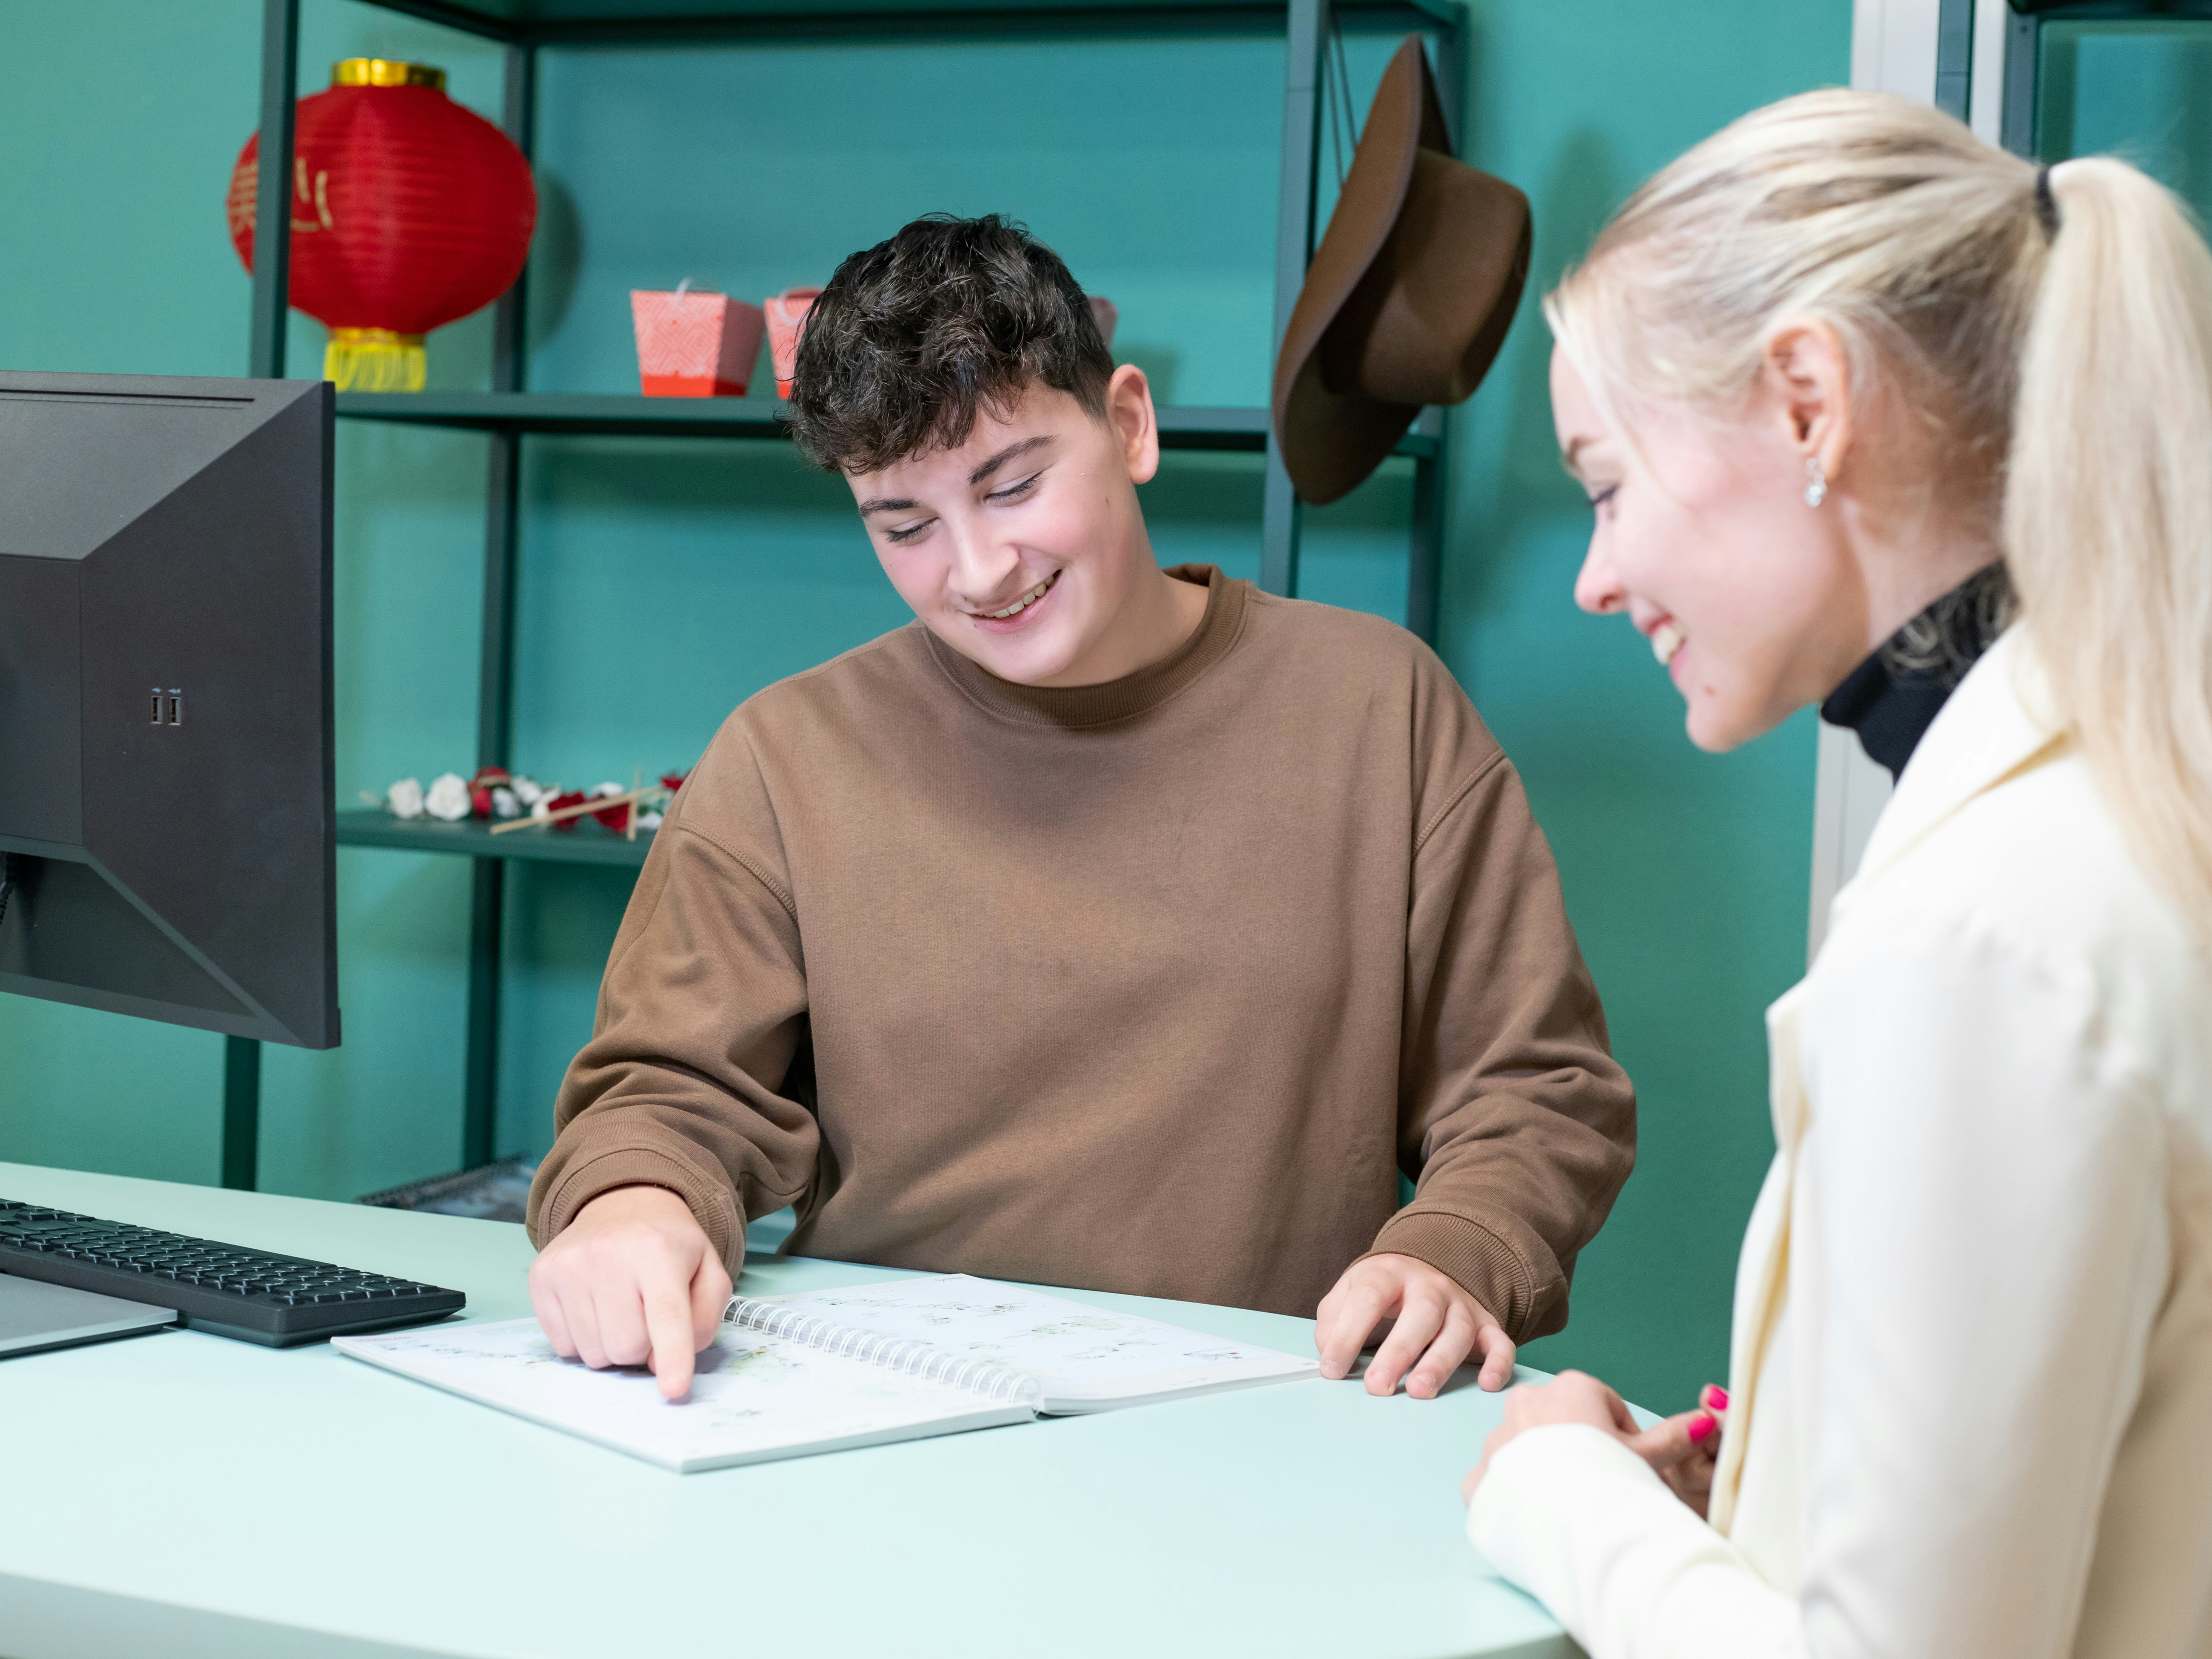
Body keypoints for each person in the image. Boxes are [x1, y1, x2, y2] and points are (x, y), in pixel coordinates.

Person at [523, 215, 1637, 1402]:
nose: (978, 569)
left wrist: (1454, 1249)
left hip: (1264, 1416)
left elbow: (1532, 1088)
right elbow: (664, 1090)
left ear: (1128, 425)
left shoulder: (1378, 705)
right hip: (872, 1411)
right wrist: (631, 1203)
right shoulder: (787, 752)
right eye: (903, 526)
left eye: (1011, 486)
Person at [1461, 90, 2212, 1657]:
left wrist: (1562, 1496)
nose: (1596, 576)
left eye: (1607, 485)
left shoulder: (1983, 935)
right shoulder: (2121, 815)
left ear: (1806, 399)